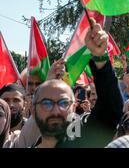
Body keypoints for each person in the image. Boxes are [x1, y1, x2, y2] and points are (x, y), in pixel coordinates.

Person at [30, 19, 123, 148]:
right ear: (33, 110)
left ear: (73, 108)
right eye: (47, 103)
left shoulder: (83, 143)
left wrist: (100, 57)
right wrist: (49, 85)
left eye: (63, 103)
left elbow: (111, 111)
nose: (56, 110)